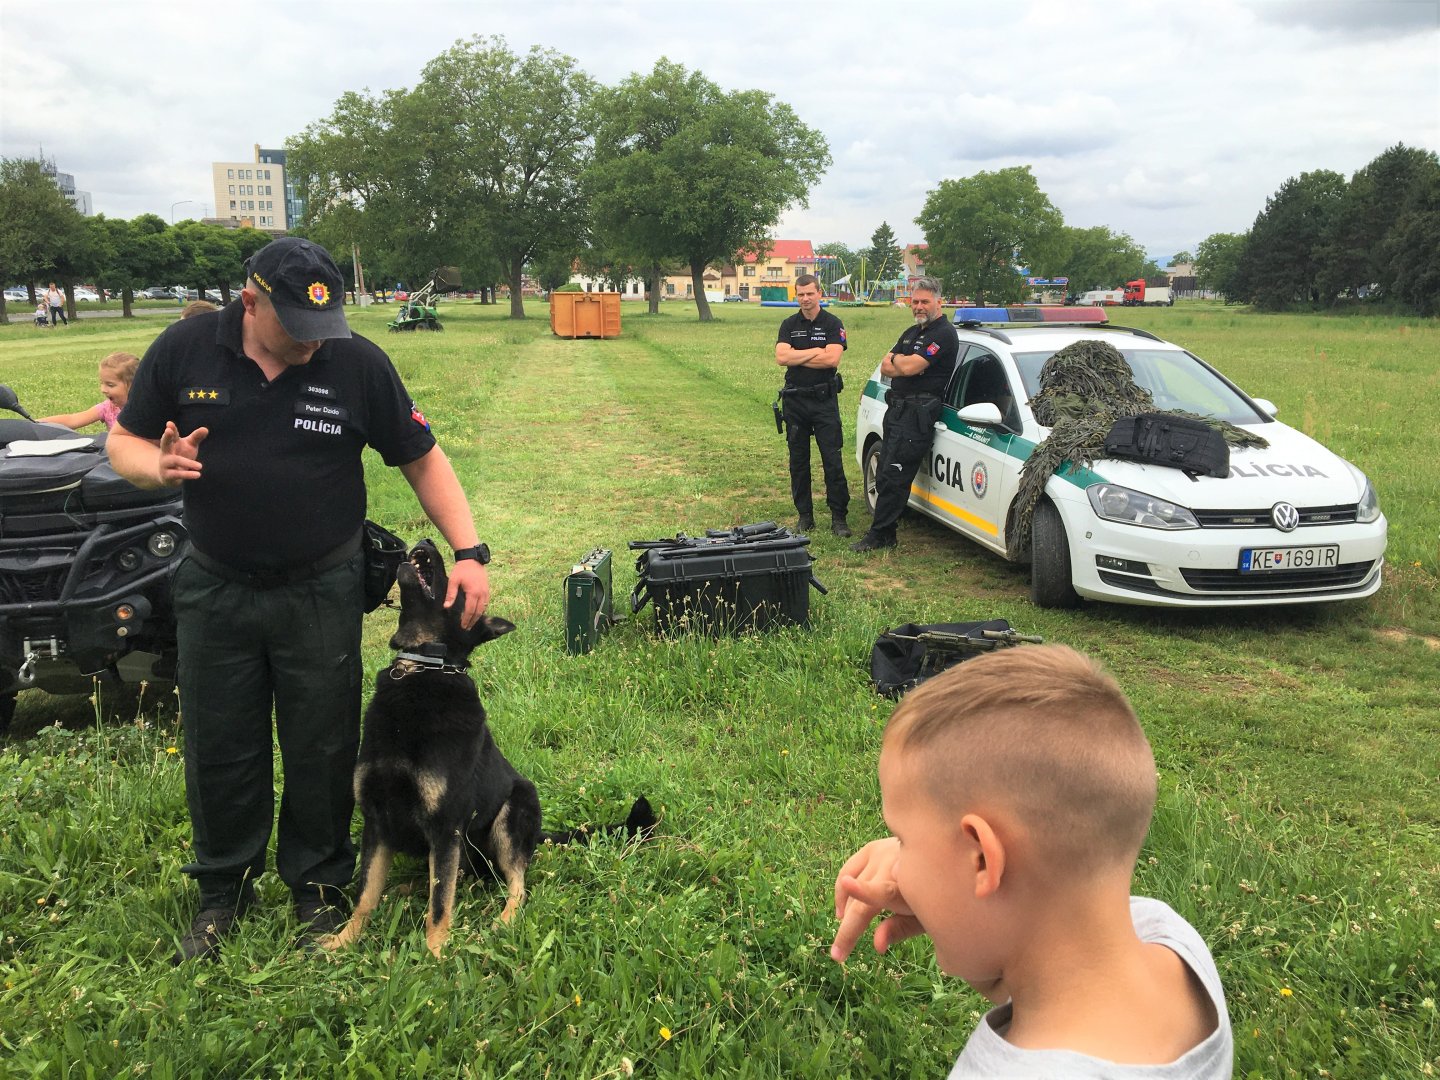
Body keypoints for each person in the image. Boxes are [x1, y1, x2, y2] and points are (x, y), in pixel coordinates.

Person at [106, 236, 493, 964]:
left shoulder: (356, 362)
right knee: (221, 742)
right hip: (216, 584)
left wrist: (469, 552)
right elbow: (123, 442)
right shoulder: (186, 349)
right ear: (250, 303)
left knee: (323, 741)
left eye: (325, 326)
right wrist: (155, 465)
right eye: (298, 329)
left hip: (320, 586)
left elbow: (421, 457)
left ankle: (318, 884)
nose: (315, 343)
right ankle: (223, 889)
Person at [830, 645, 1233, 1077]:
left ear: (982, 860)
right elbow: (1027, 976)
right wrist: (949, 896)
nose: (895, 862)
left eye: (902, 840)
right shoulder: (1166, 937)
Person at [850, 277, 958, 552]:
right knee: (885, 472)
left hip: (917, 414)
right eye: (915, 301)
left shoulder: (944, 334)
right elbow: (886, 366)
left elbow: (908, 368)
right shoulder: (911, 333)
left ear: (939, 303)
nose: (919, 306)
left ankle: (880, 535)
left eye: (925, 302)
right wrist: (904, 364)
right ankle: (885, 532)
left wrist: (902, 364)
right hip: (898, 410)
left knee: (895, 474)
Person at [774, 274, 850, 536]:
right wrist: (816, 351)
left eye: (810, 293)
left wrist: (797, 356)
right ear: (796, 295)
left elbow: (832, 360)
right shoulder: (789, 324)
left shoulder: (832, 323)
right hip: (795, 401)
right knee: (798, 461)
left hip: (823, 401)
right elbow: (781, 357)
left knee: (832, 460)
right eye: (801, 294)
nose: (805, 299)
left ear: (820, 293)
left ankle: (839, 518)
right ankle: (805, 516)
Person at [39, 351, 139, 430]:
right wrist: (35, 424)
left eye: (110, 385)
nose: (103, 389)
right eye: (102, 383)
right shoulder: (108, 408)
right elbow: (73, 419)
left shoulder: (144, 410)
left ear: (133, 385)